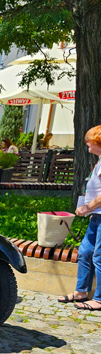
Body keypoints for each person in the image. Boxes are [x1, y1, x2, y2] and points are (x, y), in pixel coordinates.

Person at [59, 125, 101, 311]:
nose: (87, 144)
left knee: (99, 257)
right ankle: (81, 291)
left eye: (90, 141)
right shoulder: (99, 161)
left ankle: (99, 299)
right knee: (85, 251)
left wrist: (87, 207)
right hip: (96, 217)